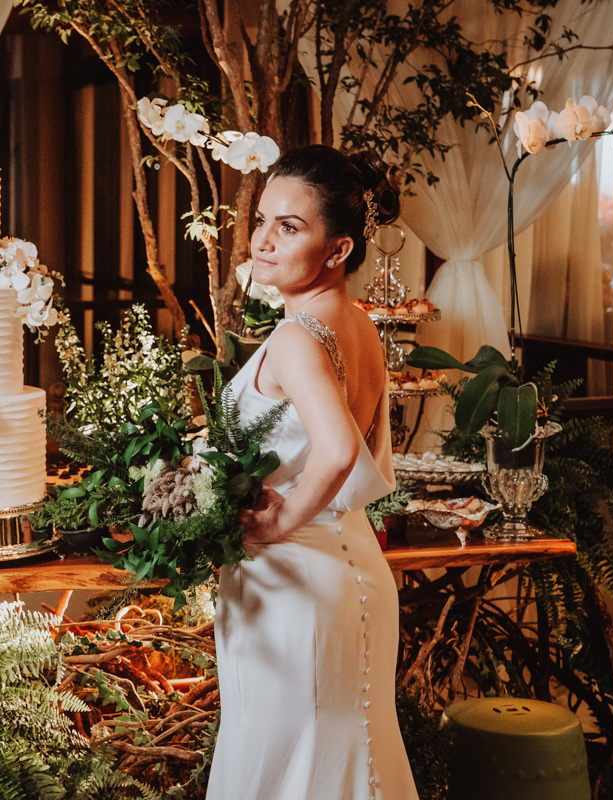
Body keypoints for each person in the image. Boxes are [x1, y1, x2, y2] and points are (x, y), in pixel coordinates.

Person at [206, 145, 419, 800]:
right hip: (352, 568)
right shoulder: (359, 325)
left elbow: (338, 449)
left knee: (288, 769)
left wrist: (280, 523)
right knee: (347, 760)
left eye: (289, 226)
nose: (263, 242)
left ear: (338, 249)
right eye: (262, 220)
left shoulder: (297, 337)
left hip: (294, 586)